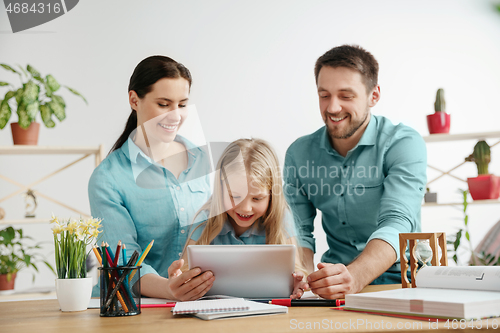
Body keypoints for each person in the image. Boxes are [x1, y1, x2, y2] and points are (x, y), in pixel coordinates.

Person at [284, 45, 427, 299]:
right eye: (324, 95)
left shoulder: (403, 143)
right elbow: (299, 231)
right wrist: (302, 279)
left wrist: (355, 277)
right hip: (334, 285)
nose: (332, 107)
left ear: (374, 96)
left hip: (402, 281)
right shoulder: (299, 153)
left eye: (346, 96)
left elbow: (398, 222)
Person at [88, 55, 214, 301]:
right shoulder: (108, 179)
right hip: (135, 306)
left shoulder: (203, 160)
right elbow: (122, 264)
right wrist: (170, 289)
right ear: (134, 100)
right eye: (164, 104)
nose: (175, 116)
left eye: (182, 104)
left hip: (201, 301)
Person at [180, 138, 309, 298]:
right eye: (234, 196)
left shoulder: (282, 218)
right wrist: (183, 282)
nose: (245, 208)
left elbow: (297, 271)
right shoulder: (205, 220)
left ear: (271, 196)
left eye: (257, 199)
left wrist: (298, 283)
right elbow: (184, 272)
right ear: (220, 190)